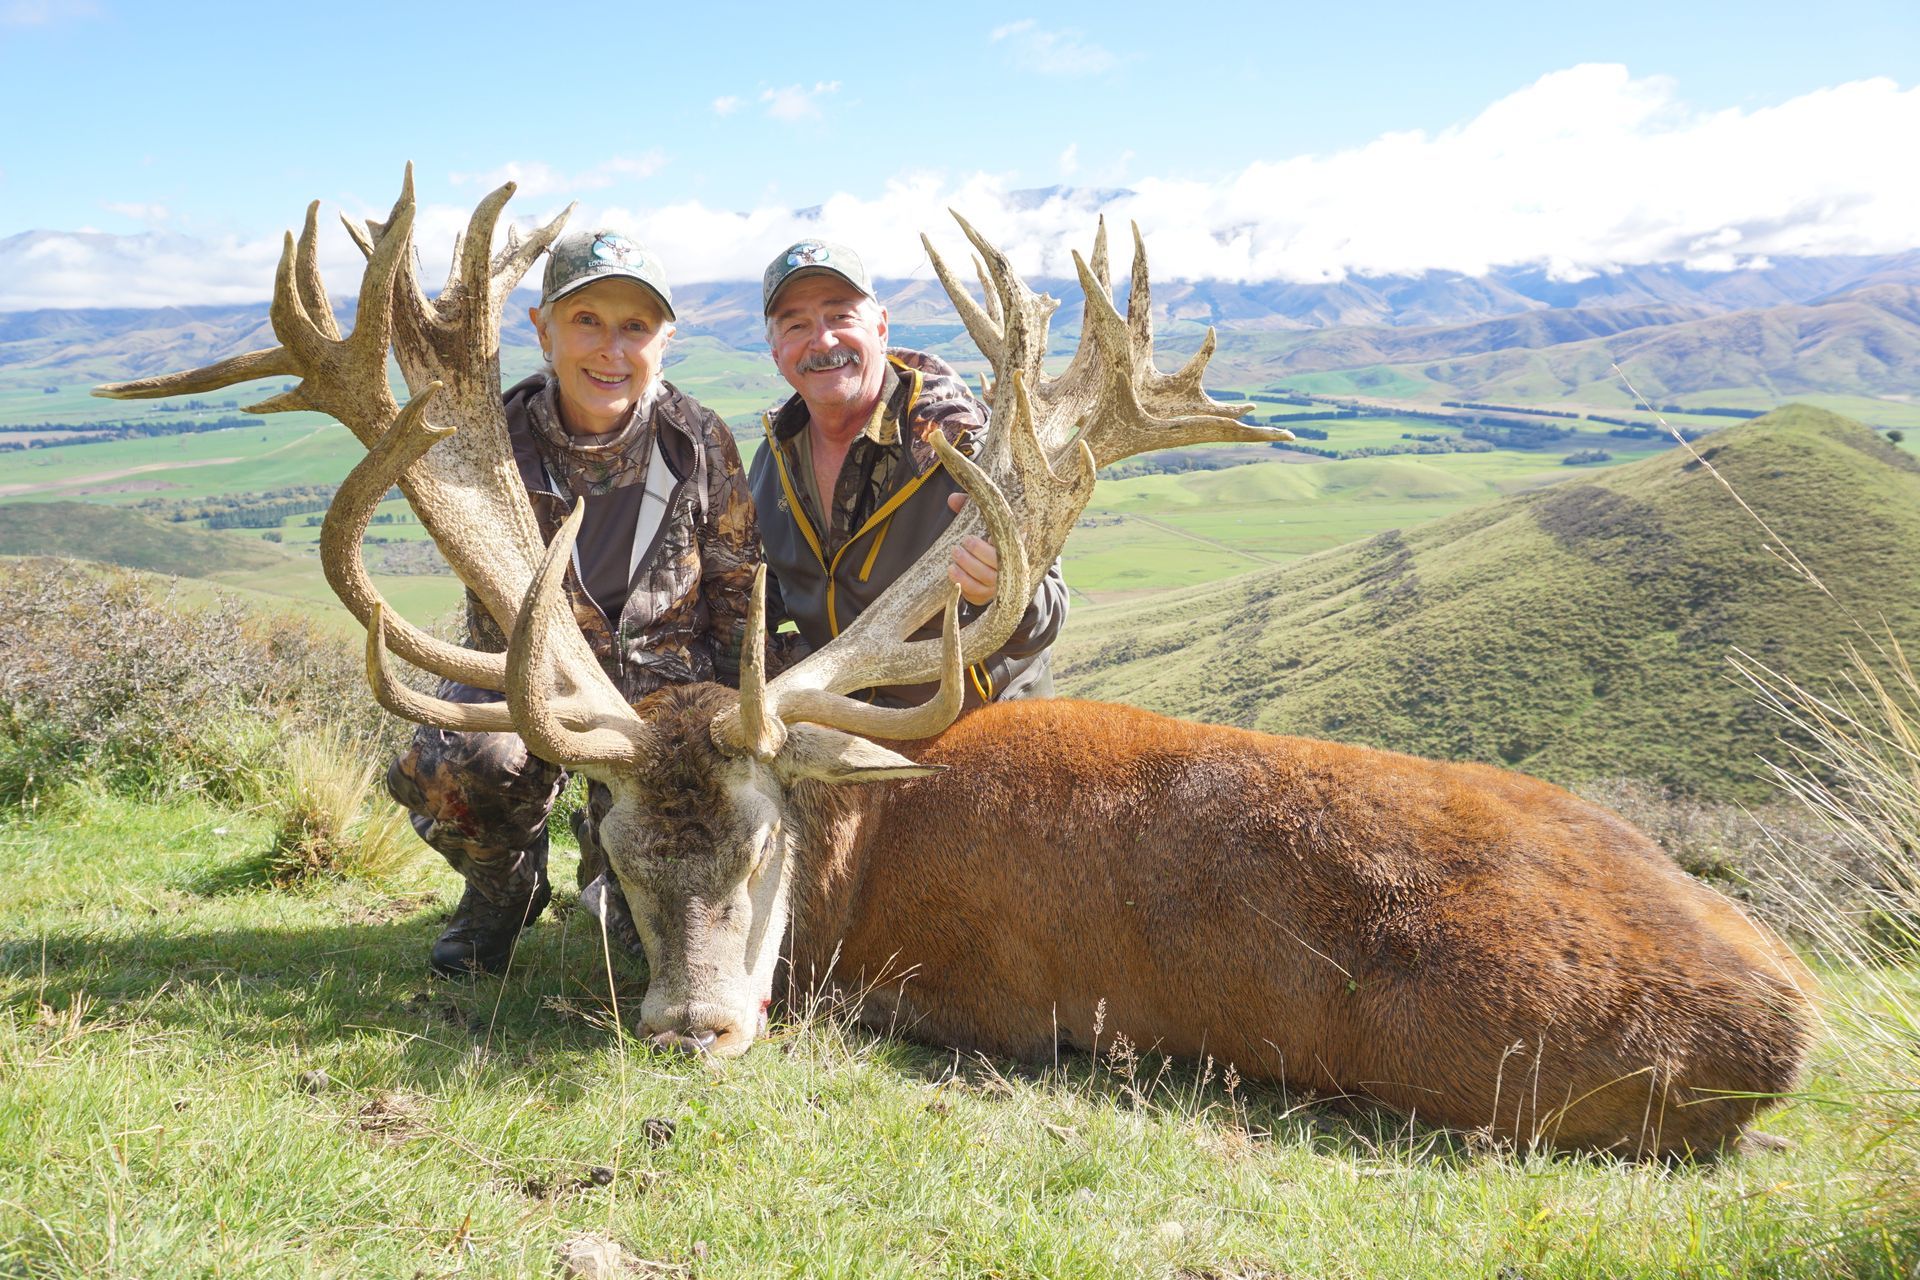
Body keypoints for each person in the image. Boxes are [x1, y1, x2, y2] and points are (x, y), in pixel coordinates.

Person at [387, 228, 760, 977]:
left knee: (635, 942)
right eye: (586, 320)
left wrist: (732, 726)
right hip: (533, 683)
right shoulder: (484, 446)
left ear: (665, 342)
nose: (610, 350)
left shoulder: (698, 440)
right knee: (461, 763)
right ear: (543, 329)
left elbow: (736, 595)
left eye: (635, 327)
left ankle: (606, 871)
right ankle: (504, 891)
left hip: (667, 702)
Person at [749, 238, 1066, 706]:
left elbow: (1048, 616)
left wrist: (1007, 588)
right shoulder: (774, 457)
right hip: (851, 724)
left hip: (981, 724)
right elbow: (776, 585)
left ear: (880, 327)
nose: (823, 341)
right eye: (796, 325)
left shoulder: (967, 446)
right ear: (776, 352)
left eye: (841, 317)